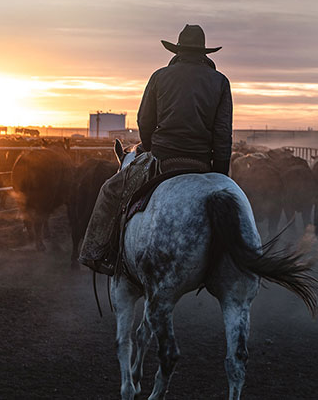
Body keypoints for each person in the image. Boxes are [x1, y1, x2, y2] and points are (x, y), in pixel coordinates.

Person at [79, 24, 233, 275]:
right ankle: (231, 262)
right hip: (204, 163)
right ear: (205, 54)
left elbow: (144, 120)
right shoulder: (220, 81)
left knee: (110, 190)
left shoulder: (159, 77)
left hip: (164, 157)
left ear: (178, 50)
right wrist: (219, 176)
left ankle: (95, 253)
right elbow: (223, 133)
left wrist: (150, 148)